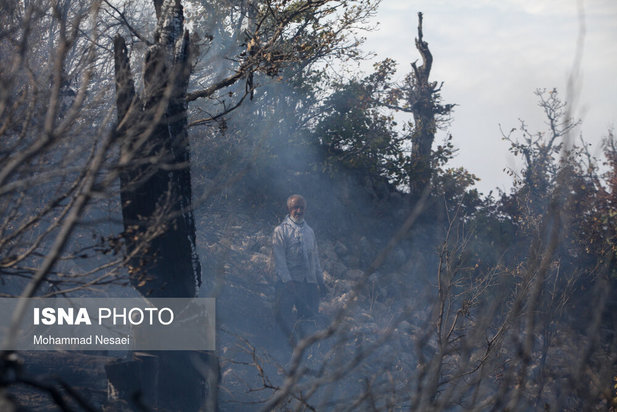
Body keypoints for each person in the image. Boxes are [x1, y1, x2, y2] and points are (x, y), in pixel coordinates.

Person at [272, 194, 326, 342]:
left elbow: (315, 260)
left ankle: (306, 353)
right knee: (282, 318)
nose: (299, 211)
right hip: (288, 284)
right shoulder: (281, 231)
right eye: (296, 207)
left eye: (302, 208)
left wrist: (320, 282)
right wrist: (288, 281)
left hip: (308, 284)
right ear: (289, 209)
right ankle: (279, 350)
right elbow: (280, 260)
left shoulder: (310, 232)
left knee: (309, 320)